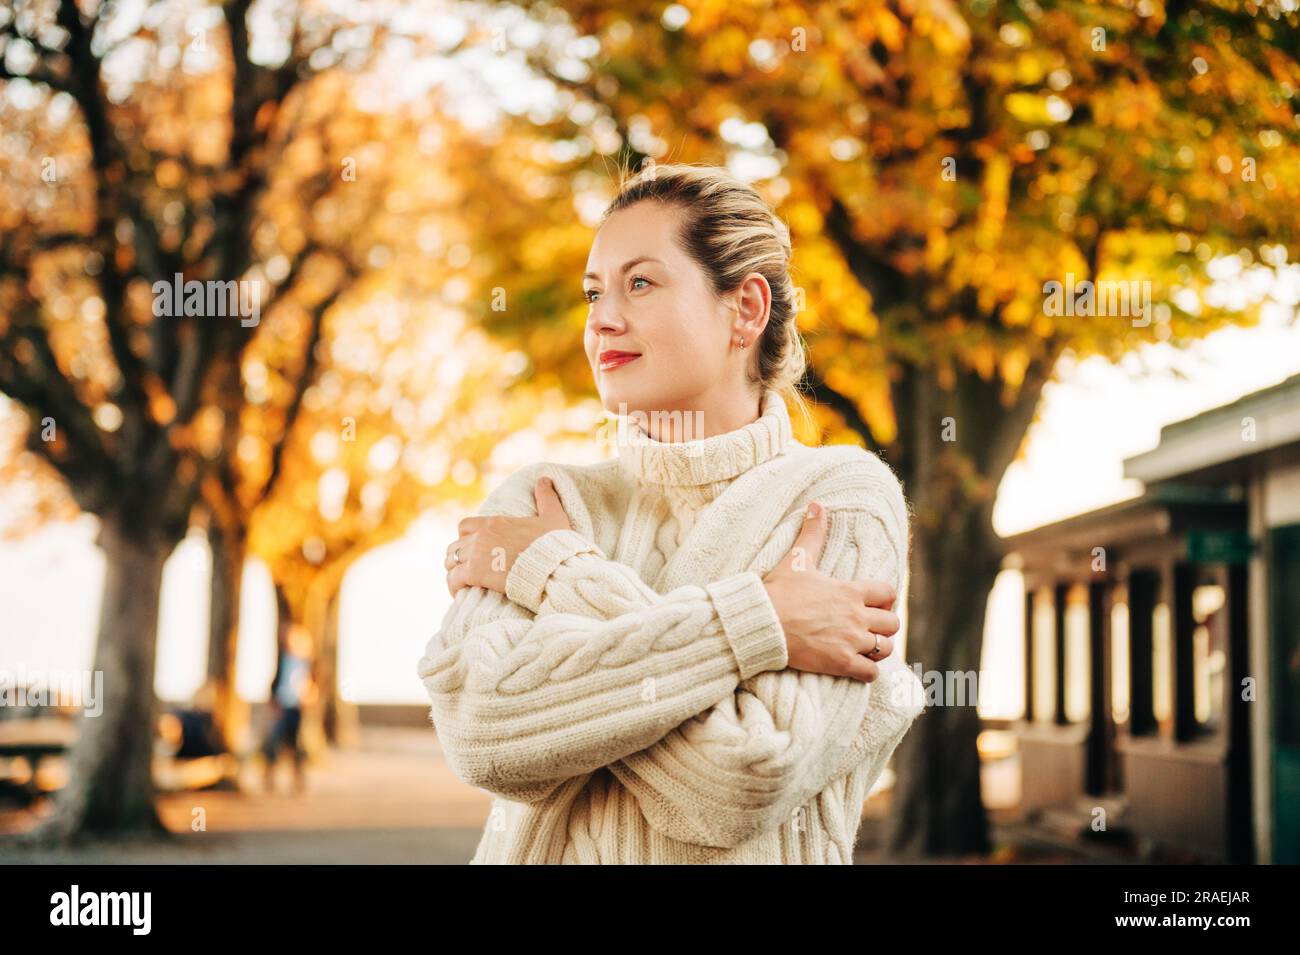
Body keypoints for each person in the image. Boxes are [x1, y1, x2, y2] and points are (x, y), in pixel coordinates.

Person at [417, 162, 925, 864]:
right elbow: (484, 734)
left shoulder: (840, 499)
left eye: (640, 283)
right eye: (594, 292)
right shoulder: (544, 498)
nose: (602, 319)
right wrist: (762, 621)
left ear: (746, 309)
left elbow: (742, 779)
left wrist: (558, 573)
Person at [263, 621, 314, 796]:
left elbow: (314, 684)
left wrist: (309, 697)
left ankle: (298, 782)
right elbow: (275, 681)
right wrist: (272, 701)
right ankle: (269, 778)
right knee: (274, 744)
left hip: (297, 708)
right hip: (282, 706)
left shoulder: (307, 662)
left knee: (297, 746)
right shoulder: (283, 659)